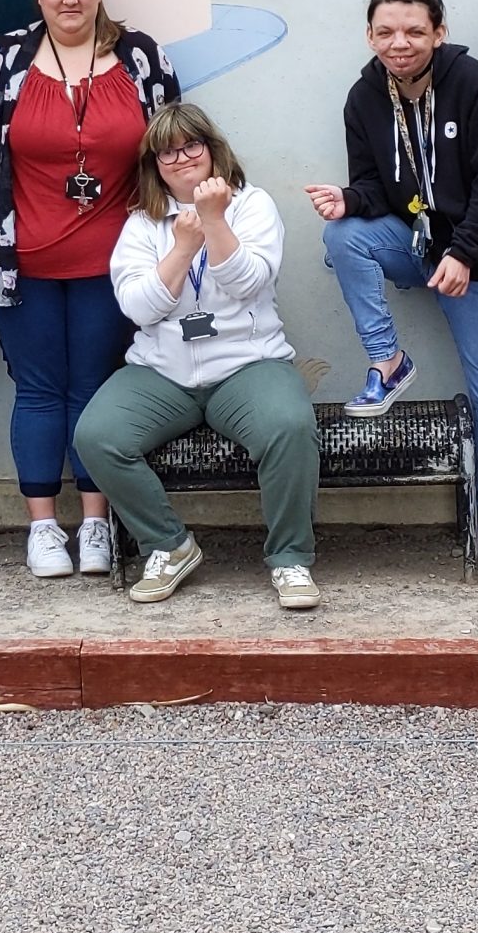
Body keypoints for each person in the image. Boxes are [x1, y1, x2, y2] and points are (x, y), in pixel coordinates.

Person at [0, 0, 178, 578]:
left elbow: (174, 150)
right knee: (39, 390)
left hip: (119, 264)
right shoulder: (3, 62)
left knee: (98, 389)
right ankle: (44, 527)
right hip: (23, 260)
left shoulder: (141, 58)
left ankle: (97, 522)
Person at [303, 0, 478, 572]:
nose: (399, 43)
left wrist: (465, 252)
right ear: (370, 36)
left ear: (439, 33)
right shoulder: (364, 96)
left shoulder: (469, 82)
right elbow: (374, 186)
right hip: (417, 245)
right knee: (342, 235)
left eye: (414, 31)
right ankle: (389, 361)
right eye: (386, 32)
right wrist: (349, 200)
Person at [75, 105, 323, 609]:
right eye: (167, 152)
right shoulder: (142, 223)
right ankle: (169, 545)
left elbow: (250, 282)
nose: (182, 158)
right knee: (96, 436)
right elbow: (139, 307)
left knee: (290, 426)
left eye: (192, 145)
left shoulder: (251, 204)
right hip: (162, 372)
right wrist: (182, 248)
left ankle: (290, 557)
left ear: (211, 149)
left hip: (247, 365)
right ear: (154, 165)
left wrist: (213, 220)